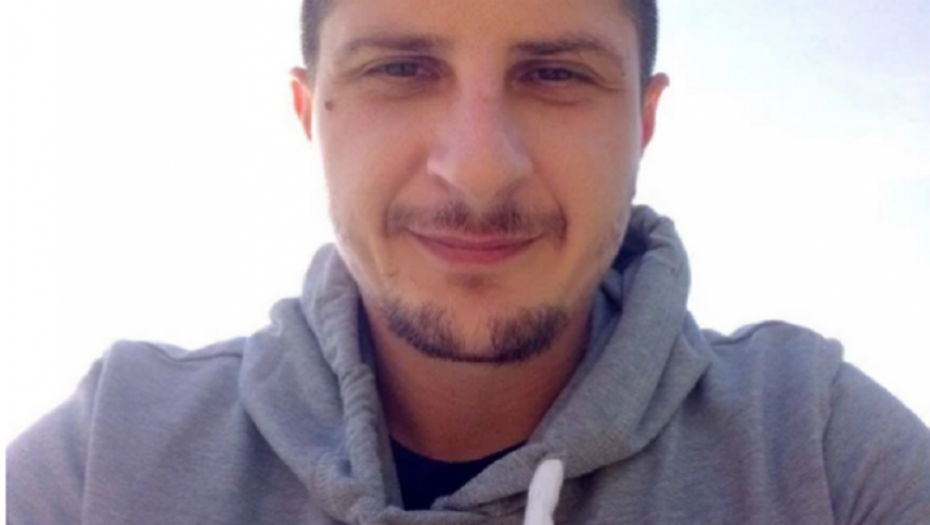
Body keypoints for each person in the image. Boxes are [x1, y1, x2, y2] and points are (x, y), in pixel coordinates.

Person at [7, 0, 930, 523]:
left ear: (643, 124)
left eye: (556, 73)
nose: (480, 168)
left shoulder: (820, 454)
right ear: (309, 113)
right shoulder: (107, 459)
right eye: (401, 68)